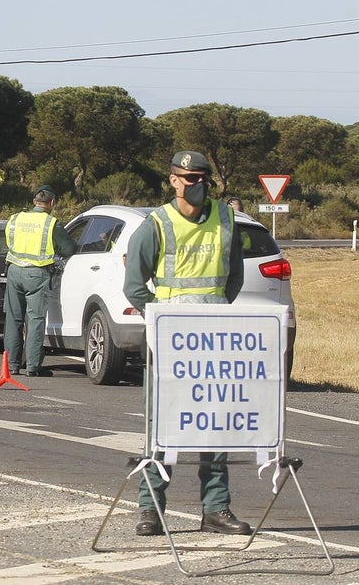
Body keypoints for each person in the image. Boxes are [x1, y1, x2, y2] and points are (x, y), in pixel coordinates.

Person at [124, 150, 251, 537]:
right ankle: (151, 510)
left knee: (213, 424)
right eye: (188, 178)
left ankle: (216, 509)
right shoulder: (156, 225)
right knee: (160, 426)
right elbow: (133, 286)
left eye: (201, 179)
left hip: (212, 340)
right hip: (168, 343)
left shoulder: (226, 218)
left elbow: (234, 279)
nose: (196, 185)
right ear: (174, 180)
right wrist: (166, 318)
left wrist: (209, 316)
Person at [3, 186, 77, 377]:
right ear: (52, 203)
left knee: (13, 319)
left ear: (34, 201)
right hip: (36, 274)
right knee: (35, 320)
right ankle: (33, 367)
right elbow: (69, 249)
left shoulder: (15, 219)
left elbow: (9, 243)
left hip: (13, 270)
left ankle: (11, 365)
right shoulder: (51, 223)